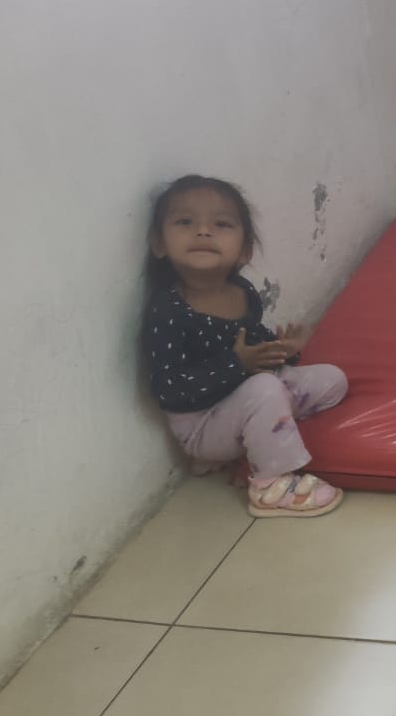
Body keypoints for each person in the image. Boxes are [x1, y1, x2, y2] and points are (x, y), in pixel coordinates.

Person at [143, 175, 348, 518]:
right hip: (203, 426)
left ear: (245, 250)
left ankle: (260, 436)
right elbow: (168, 389)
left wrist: (282, 349)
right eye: (185, 222)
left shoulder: (241, 290)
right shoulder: (168, 311)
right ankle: (271, 484)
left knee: (333, 380)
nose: (203, 232)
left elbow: (252, 343)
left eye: (221, 224)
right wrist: (236, 365)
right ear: (158, 243)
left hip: (246, 393)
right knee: (264, 387)